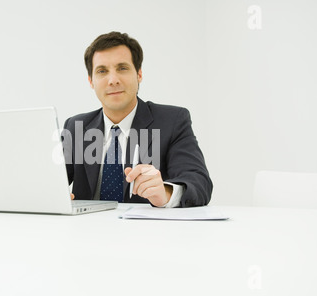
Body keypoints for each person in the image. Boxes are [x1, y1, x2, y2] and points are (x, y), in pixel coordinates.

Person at [62, 31, 212, 208]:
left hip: (145, 233)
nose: (113, 80)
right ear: (91, 81)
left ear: (139, 74)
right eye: (102, 71)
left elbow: (199, 182)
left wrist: (165, 192)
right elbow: (47, 181)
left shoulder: (173, 121)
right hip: (86, 231)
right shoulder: (76, 126)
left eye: (122, 68)